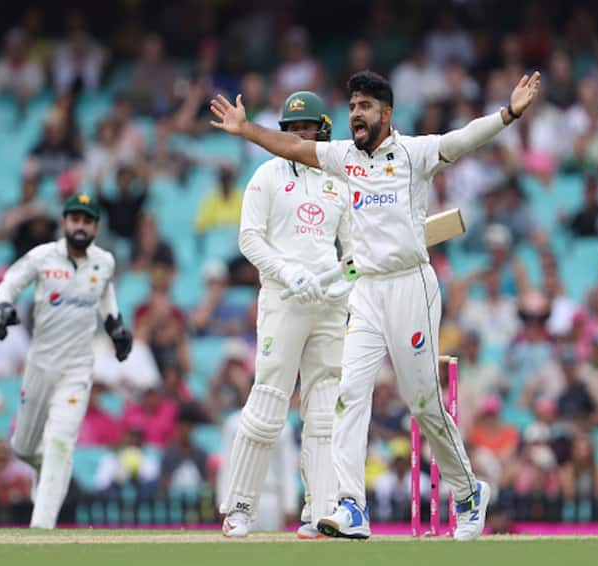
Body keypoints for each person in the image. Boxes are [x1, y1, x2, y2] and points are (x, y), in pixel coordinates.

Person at [210, 69, 540, 540]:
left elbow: (462, 140)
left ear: (386, 113)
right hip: (365, 291)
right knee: (347, 397)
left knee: (423, 401)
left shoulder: (415, 153)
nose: (356, 116)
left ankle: (467, 492)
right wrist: (247, 131)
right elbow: (294, 149)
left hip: (410, 287)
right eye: (351, 108)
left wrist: (507, 114)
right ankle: (351, 506)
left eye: (364, 107)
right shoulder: (344, 157)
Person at [217, 91, 351, 540]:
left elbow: (353, 252)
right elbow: (249, 239)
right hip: (284, 299)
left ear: (322, 130)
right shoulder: (267, 175)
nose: (297, 136)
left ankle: (320, 511)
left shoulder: (339, 180)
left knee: (324, 410)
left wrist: (341, 281)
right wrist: (287, 271)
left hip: (330, 306)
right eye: (290, 129)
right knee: (269, 403)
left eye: (305, 128)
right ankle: (239, 508)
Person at [0, 193, 133, 529]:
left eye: (87, 221)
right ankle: (48, 466)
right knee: (23, 448)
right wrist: (2, 307)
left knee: (60, 440)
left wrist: (116, 326)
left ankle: (41, 529)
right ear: (65, 223)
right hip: (40, 365)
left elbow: (105, 295)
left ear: (96, 226)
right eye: (74, 219)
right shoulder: (43, 257)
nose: (80, 226)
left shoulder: (104, 261)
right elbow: (10, 282)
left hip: (77, 368)